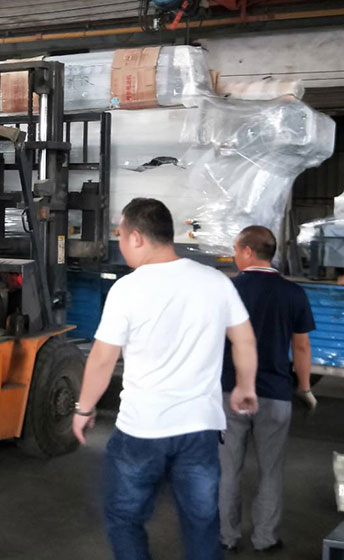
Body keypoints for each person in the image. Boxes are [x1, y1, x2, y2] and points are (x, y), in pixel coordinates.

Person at [72, 198, 259, 560]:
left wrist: (84, 408)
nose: (120, 243)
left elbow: (103, 359)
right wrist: (245, 386)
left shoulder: (127, 289)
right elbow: (245, 339)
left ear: (137, 237)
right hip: (200, 428)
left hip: (142, 429)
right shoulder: (215, 282)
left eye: (121, 235)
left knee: (125, 518)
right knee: (202, 523)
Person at [219, 225, 317, 553]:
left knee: (228, 468)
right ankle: (265, 538)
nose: (235, 255)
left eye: (236, 249)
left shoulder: (228, 290)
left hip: (229, 392)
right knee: (271, 470)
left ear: (248, 251)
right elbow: (301, 347)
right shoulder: (293, 293)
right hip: (275, 394)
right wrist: (304, 388)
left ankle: (227, 536)